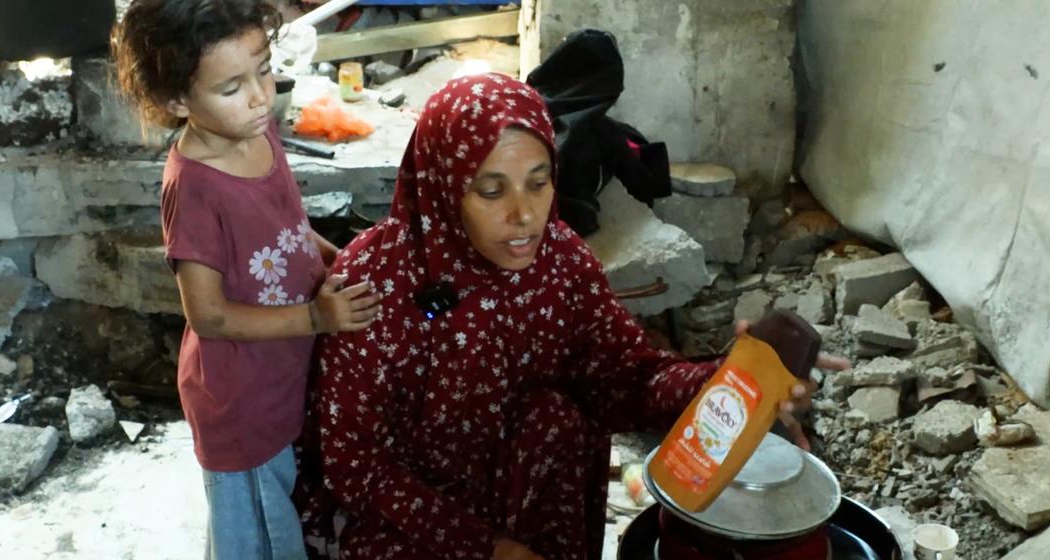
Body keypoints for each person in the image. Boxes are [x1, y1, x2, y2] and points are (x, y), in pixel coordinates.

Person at [297, 73, 847, 560]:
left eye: (539, 182)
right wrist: (487, 549)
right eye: (492, 190)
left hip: (522, 487)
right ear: (443, 187)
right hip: (415, 515)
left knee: (559, 418)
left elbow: (630, 380)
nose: (525, 215)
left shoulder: (559, 262)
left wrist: (735, 379)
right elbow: (355, 465)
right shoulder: (378, 283)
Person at [112, 1, 381, 558]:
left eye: (263, 68)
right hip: (240, 406)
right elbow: (206, 315)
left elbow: (288, 224)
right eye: (232, 87)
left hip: (282, 377)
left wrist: (338, 258)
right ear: (176, 101)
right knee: (256, 536)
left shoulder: (257, 133)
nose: (260, 96)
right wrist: (312, 317)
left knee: (285, 507)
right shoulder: (195, 189)